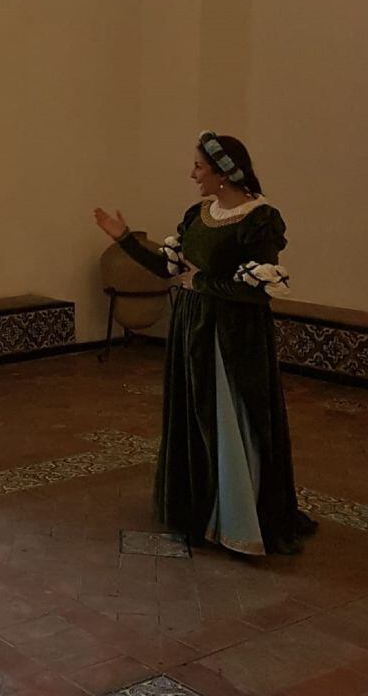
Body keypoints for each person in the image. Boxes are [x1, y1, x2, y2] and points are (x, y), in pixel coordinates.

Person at [93, 131, 316, 556]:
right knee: (195, 418)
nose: (192, 173)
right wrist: (124, 238)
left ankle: (239, 521)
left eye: (199, 166)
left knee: (232, 420)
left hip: (234, 335)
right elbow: (166, 268)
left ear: (223, 172)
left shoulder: (259, 218)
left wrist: (202, 282)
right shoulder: (198, 215)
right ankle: (203, 509)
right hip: (193, 326)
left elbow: (258, 290)